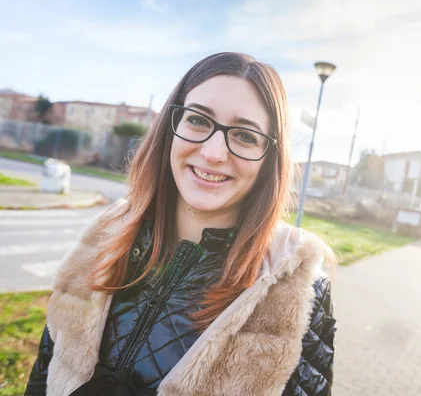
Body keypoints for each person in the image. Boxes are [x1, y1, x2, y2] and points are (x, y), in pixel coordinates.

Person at [25, 52, 336, 396]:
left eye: (246, 136)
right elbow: (43, 377)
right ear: (170, 127)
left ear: (269, 158)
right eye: (199, 121)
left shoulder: (294, 286)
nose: (214, 152)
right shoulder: (103, 238)